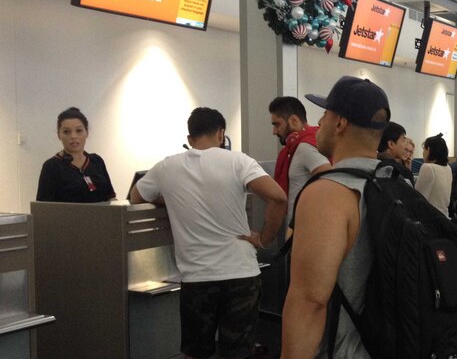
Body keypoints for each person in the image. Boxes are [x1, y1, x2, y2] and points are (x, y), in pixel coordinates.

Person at [130, 107, 287, 359]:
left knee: (196, 352)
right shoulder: (239, 161)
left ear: (190, 139)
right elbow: (278, 197)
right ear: (221, 134)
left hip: (197, 278)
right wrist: (264, 238)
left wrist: (173, 197)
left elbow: (136, 197)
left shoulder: (167, 166)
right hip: (241, 274)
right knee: (237, 353)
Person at [281, 76, 390, 359]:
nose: (319, 122)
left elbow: (310, 302)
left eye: (325, 114)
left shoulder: (327, 193)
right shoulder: (397, 183)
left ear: (340, 123)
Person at [270, 96, 331, 226]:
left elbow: (330, 178)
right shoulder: (296, 148)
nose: (274, 132)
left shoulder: (305, 148)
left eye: (277, 125)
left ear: (294, 120)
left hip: (305, 230)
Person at [37, 107, 116, 203]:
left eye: (79, 131)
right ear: (59, 135)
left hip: (102, 217)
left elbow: (111, 197)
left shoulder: (97, 161)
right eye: (66, 132)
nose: (73, 136)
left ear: (87, 132)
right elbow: (43, 208)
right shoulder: (52, 166)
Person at [414, 133, 452, 216]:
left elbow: (418, 197)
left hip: (430, 219)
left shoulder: (428, 168)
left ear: (429, 150)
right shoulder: (448, 168)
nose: (423, 153)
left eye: (424, 149)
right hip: (444, 216)